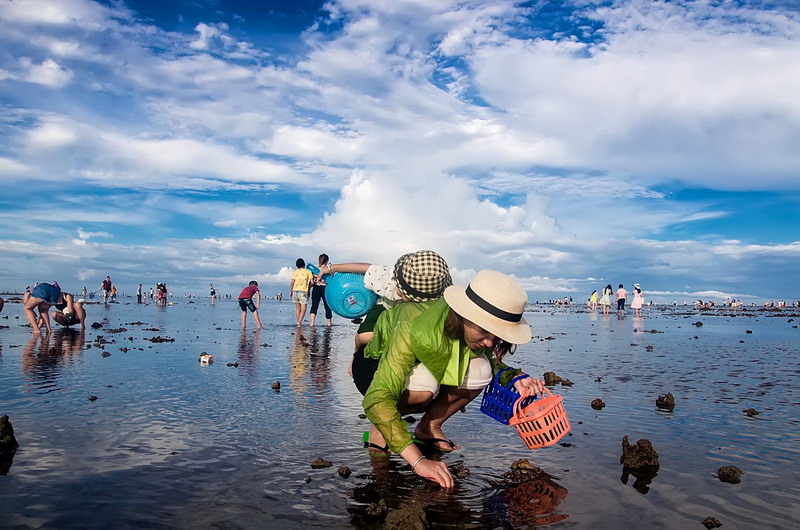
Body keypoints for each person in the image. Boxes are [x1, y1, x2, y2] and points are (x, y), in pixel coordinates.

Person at [363, 270, 540, 488]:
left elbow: (481, 357)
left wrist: (513, 377)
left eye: (498, 336)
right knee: (424, 388)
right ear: (464, 314)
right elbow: (378, 397)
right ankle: (380, 427)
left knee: (482, 370)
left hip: (427, 355)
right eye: (485, 331)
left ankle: (428, 427)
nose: (489, 343)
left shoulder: (470, 330)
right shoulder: (412, 327)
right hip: (376, 363)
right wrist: (418, 461)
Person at [309, 253, 333, 327]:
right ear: (327, 260)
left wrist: (308, 289)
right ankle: (329, 323)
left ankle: (312, 323)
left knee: (314, 305)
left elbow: (311, 281)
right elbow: (332, 279)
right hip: (326, 289)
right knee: (327, 306)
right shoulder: (328, 269)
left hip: (316, 288)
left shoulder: (314, 269)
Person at [289, 258, 314, 326]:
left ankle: (298, 322)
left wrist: (290, 291)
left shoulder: (294, 272)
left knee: (297, 308)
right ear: (304, 264)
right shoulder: (308, 272)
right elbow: (312, 282)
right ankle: (299, 323)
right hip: (303, 291)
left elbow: (292, 282)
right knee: (303, 308)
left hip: (295, 291)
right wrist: (310, 286)